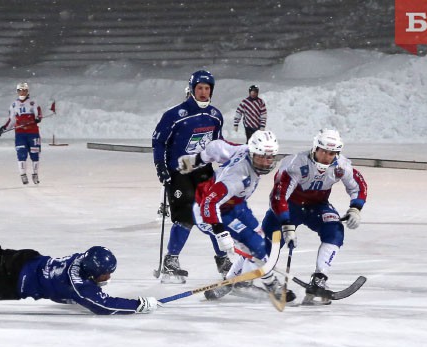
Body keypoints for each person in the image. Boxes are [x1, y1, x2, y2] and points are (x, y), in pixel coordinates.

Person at [0, 190, 159, 315]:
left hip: (25, 259)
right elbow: (101, 305)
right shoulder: (80, 284)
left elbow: (75, 294)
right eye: (105, 274)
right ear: (94, 272)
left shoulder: (81, 259)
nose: (107, 278)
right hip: (15, 282)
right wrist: (139, 305)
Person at [178, 130, 294, 302]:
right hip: (212, 213)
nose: (265, 162)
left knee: (259, 238)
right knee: (258, 247)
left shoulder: (244, 149)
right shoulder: (237, 176)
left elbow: (216, 147)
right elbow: (209, 203)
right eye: (261, 157)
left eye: (270, 157)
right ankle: (271, 284)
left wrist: (196, 160)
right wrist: (220, 232)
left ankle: (231, 282)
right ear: (253, 153)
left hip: (235, 204)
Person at [262, 129, 368, 305]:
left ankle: (319, 277)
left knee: (334, 230)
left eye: (332, 153)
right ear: (315, 148)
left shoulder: (342, 166)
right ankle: (239, 276)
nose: (327, 156)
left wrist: (355, 208)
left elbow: (358, 186)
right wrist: (287, 224)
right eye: (324, 151)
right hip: (289, 207)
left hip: (317, 206)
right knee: (265, 247)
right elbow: (278, 196)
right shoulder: (295, 164)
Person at [152, 70, 229, 283]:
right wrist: (161, 165)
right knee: (185, 214)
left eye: (207, 89)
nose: (204, 93)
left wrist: (224, 162)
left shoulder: (215, 115)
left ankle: (223, 260)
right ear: (192, 89)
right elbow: (158, 141)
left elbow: (217, 143)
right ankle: (171, 260)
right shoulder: (174, 115)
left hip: (203, 170)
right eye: (200, 88)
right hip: (180, 172)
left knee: (212, 212)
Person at [0, 82, 43, 185]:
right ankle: (23, 175)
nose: (22, 92)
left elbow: (39, 115)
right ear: (17, 91)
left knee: (35, 154)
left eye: (24, 90)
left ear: (27, 91)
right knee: (21, 154)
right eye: (20, 90)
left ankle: (35, 174)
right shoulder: (14, 104)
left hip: (32, 133)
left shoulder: (33, 103)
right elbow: (12, 120)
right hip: (20, 133)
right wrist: (3, 128)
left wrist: (37, 119)